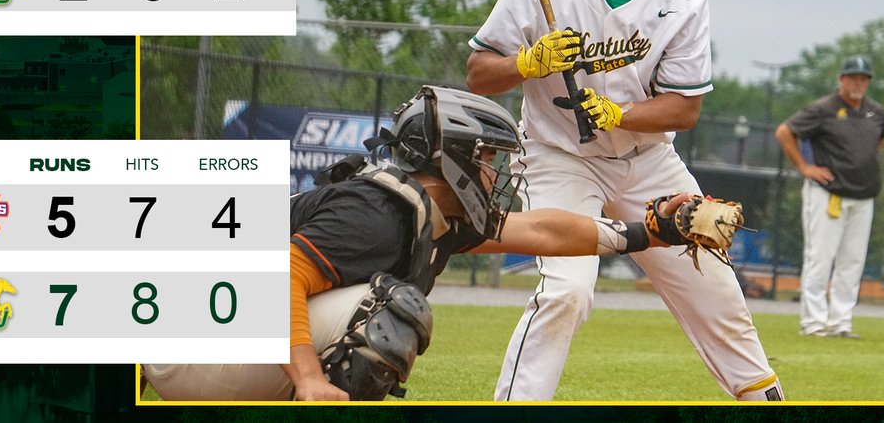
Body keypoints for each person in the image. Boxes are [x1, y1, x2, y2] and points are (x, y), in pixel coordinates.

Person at [466, 0, 782, 401]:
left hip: (648, 162)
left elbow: (684, 107)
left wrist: (620, 114)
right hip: (559, 156)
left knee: (717, 288)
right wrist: (527, 62)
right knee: (567, 291)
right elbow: (478, 73)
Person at [142, 85, 695, 401]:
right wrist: (310, 379)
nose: (494, 173)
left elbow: (541, 229)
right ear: (450, 157)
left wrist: (650, 232)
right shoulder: (378, 211)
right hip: (182, 351)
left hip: (219, 341)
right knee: (387, 312)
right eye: (485, 158)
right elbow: (281, 278)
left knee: (386, 309)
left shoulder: (430, 216)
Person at [775, 55, 884, 339]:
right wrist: (804, 166)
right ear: (842, 79)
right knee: (820, 258)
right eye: (853, 77)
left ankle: (841, 322)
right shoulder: (823, 109)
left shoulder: (876, 112)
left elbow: (878, 141)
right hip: (828, 194)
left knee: (853, 261)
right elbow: (785, 132)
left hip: (863, 195)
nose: (858, 82)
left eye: (863, 78)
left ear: (868, 82)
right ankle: (813, 322)